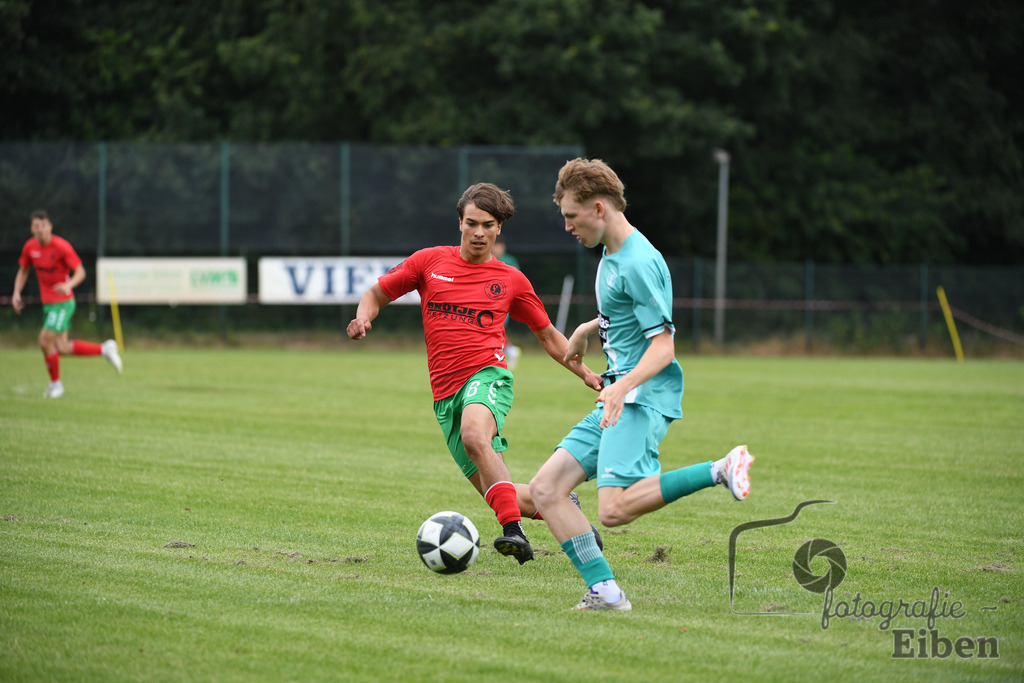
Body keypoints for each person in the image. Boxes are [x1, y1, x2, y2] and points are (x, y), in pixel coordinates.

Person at [528, 159, 754, 610]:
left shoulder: (639, 261)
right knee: (547, 489)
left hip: (638, 396)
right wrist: (587, 328)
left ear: (597, 208)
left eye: (572, 217)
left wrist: (620, 386)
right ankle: (605, 592)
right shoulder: (611, 254)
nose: (568, 227)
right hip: (619, 392)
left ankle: (721, 468)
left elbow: (663, 346)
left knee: (612, 510)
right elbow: (624, 312)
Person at [346, 183, 604, 565]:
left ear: (500, 228)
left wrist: (583, 371)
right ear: (460, 223)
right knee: (503, 492)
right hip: (444, 395)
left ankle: (513, 531)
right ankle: (564, 508)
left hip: (488, 377)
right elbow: (376, 295)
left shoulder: (511, 280)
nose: (479, 232)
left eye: (488, 225)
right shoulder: (428, 262)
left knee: (474, 435)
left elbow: (548, 336)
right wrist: (362, 318)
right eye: (472, 223)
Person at [11, 209, 122, 398]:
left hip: (63, 302)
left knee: (45, 341)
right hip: (49, 304)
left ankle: (56, 385)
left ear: (50, 226)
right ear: (31, 228)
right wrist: (16, 293)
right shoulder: (30, 247)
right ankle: (105, 349)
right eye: (36, 226)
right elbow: (23, 270)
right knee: (61, 347)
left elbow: (81, 272)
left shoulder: (61, 246)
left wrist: (67, 284)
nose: (40, 230)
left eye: (43, 225)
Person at [491, 235, 521, 370]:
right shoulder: (488, 259)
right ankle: (509, 352)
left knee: (496, 329)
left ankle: (508, 352)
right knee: (495, 330)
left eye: (498, 245)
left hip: (503, 303)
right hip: (488, 303)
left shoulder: (510, 261)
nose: (495, 248)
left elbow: (517, 283)